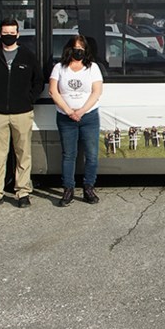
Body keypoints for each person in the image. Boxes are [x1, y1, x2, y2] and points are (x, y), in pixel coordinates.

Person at [0, 19, 44, 209]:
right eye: (5, 32)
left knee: (23, 154)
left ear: (18, 34)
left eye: (12, 32)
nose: (8, 35)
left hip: (22, 113)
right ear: (0, 34)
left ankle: (23, 192)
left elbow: (38, 81)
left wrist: (29, 99)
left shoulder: (27, 56)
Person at [49, 35, 104, 206]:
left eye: (81, 48)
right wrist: (69, 111)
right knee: (68, 155)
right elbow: (53, 91)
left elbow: (97, 91)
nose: (78, 51)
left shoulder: (93, 68)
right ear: (69, 49)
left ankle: (88, 188)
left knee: (92, 155)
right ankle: (68, 189)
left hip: (89, 117)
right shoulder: (59, 68)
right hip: (66, 118)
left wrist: (80, 111)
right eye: (75, 48)